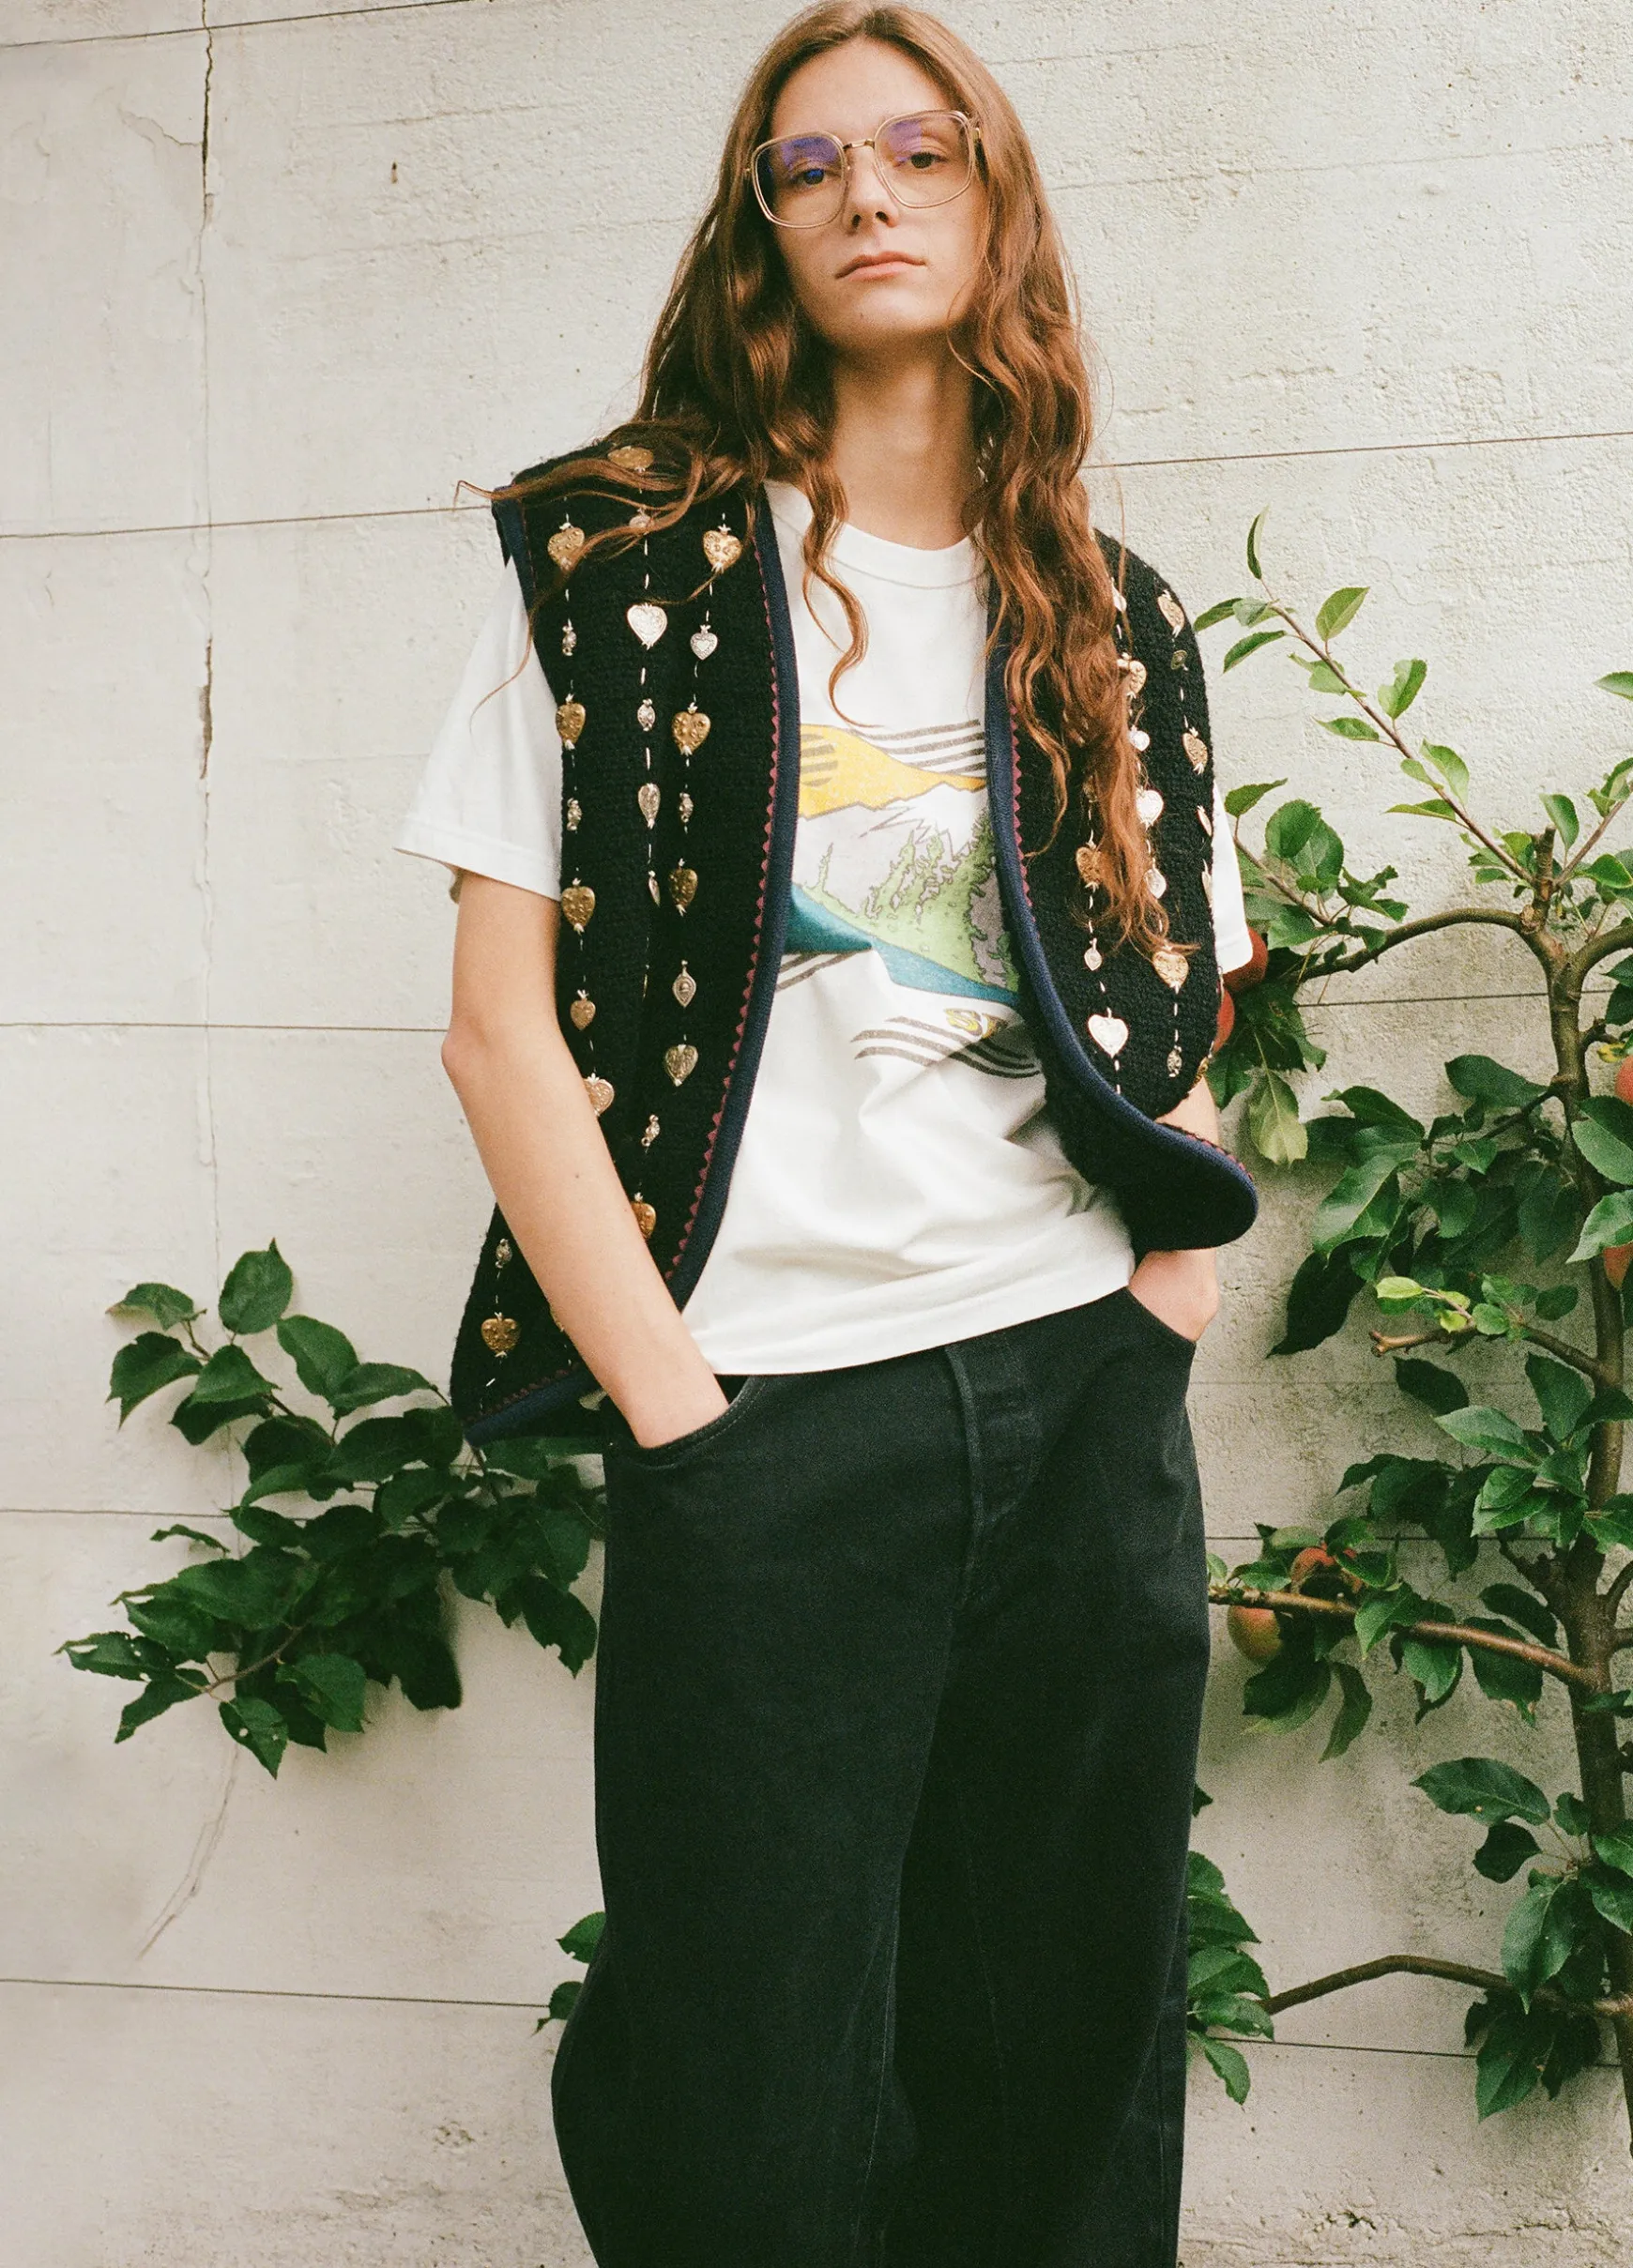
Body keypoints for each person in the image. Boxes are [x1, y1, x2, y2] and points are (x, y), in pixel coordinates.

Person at [396, 8, 1259, 2263]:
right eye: (810, 164)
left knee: (1065, 2061)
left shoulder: (1115, 610)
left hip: (1080, 1397)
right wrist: (679, 1414)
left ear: (994, 198)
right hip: (767, 1420)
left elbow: (1186, 985)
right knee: (744, 2091)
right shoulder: (610, 571)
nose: (868, 189)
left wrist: (1162, 1308)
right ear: (762, 230)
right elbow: (499, 1035)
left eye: (920, 146)